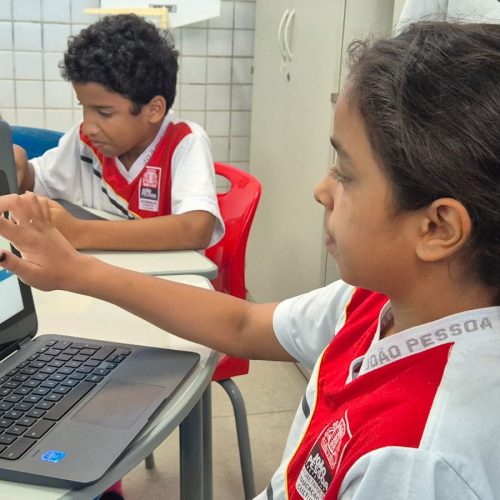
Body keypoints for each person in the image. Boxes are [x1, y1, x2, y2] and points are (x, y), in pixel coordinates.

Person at [1, 21, 500, 499]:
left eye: (345, 174)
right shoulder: (375, 301)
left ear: (437, 228)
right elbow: (243, 324)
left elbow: (200, 232)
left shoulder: (420, 462)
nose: (321, 189)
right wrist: (78, 271)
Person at [14, 14, 224, 251]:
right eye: (84, 107)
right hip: (103, 269)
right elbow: (40, 181)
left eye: (104, 113)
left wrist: (79, 232)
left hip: (174, 272)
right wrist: (20, 169)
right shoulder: (86, 141)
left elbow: (196, 229)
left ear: (154, 110)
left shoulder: (184, 142)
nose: (89, 126)